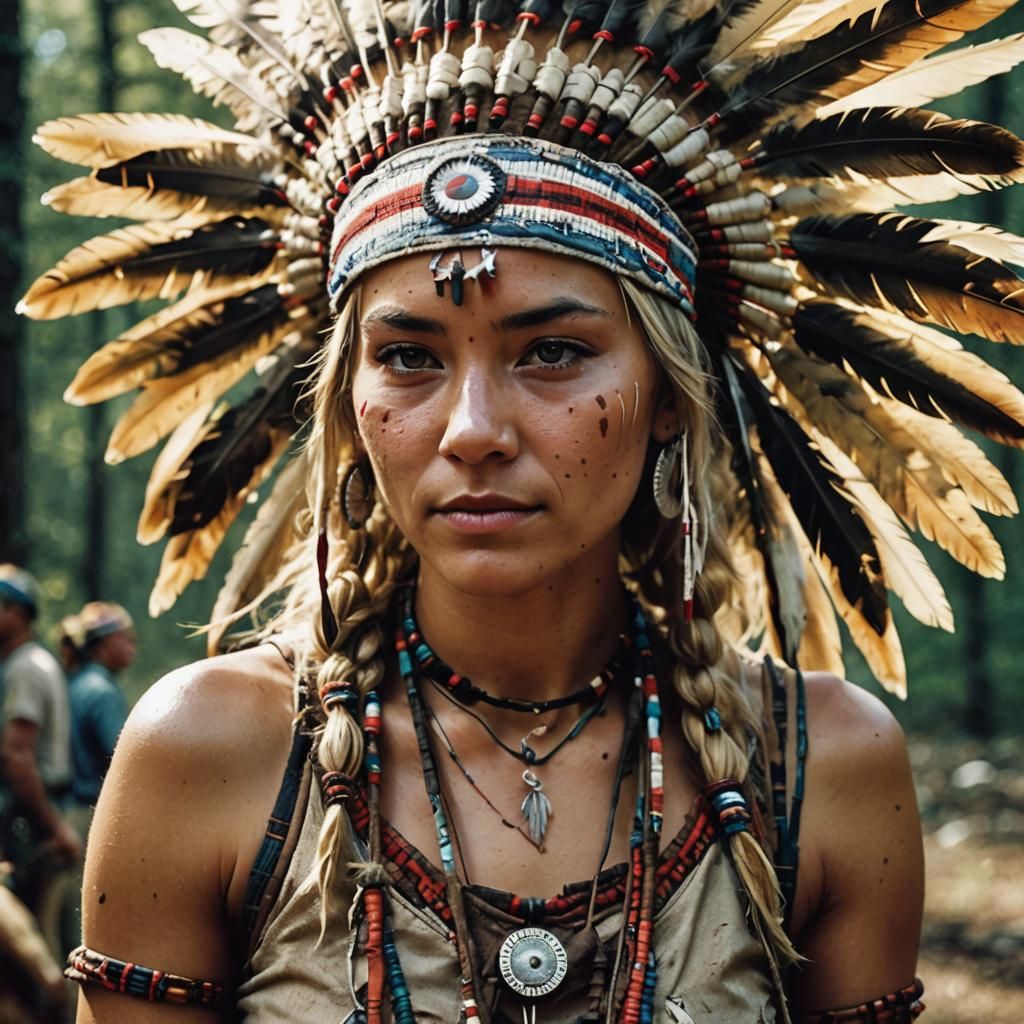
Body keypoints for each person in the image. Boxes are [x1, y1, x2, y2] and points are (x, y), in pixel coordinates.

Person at [24, 2, 1024, 1021]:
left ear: (669, 396)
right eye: (409, 356)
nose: (471, 429)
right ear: (349, 404)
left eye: (551, 351)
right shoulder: (207, 753)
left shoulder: (823, 769)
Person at [0, 565, 80, 960]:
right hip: (38, 811)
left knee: (34, 939)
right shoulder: (31, 663)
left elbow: (16, 756)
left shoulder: (25, 669)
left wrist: (53, 827)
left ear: (17, 613)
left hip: (31, 818)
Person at [64, 603, 134, 947]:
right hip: (89, 814)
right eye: (125, 639)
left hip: (68, 808)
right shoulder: (102, 693)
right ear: (103, 645)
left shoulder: (77, 683)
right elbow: (121, 758)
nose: (131, 646)